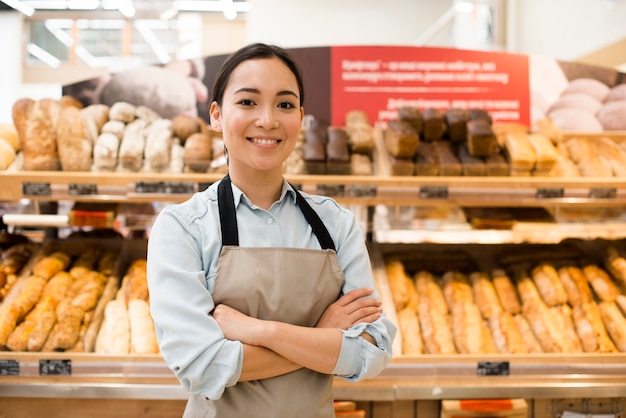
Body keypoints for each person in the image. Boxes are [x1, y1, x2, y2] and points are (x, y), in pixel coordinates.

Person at [146, 42, 396, 418]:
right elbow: (202, 365)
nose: (267, 120)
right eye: (247, 102)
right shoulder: (182, 228)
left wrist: (258, 331)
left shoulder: (336, 224)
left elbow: (371, 352)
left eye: (284, 104)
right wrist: (321, 336)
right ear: (216, 115)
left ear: (300, 116)